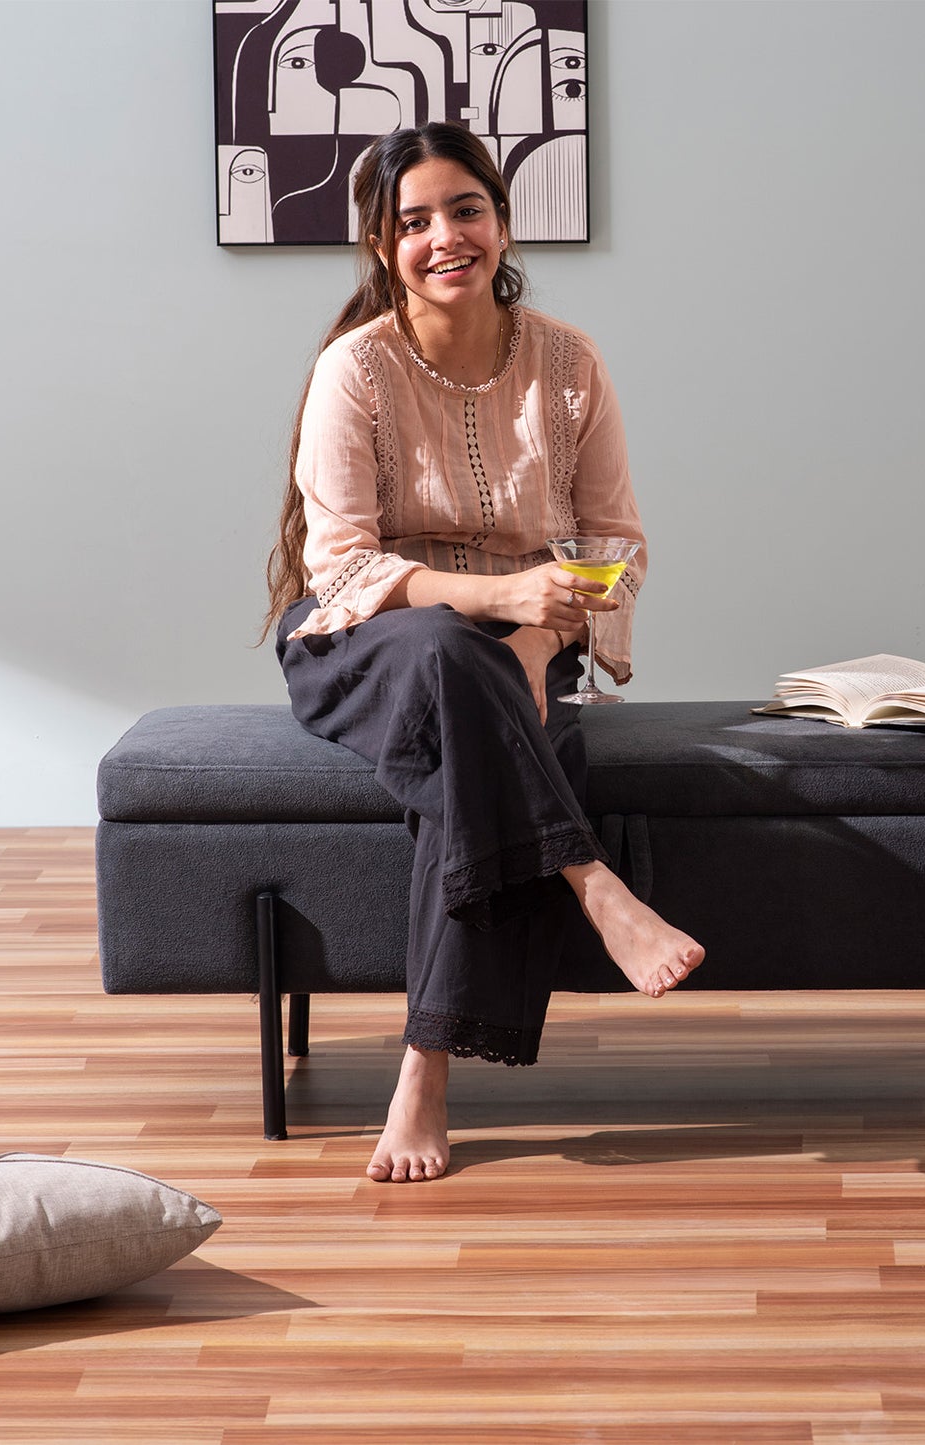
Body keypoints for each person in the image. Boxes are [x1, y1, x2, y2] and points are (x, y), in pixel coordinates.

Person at [265, 123, 705, 1184]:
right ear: (381, 246)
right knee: (444, 658)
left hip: (517, 645)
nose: (443, 236)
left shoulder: (567, 362)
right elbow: (343, 566)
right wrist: (493, 600)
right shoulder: (355, 369)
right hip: (361, 640)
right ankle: (593, 880)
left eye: (464, 209)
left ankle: (423, 1074)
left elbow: (613, 549)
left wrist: (539, 636)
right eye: (411, 221)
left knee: (464, 731)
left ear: (502, 220)